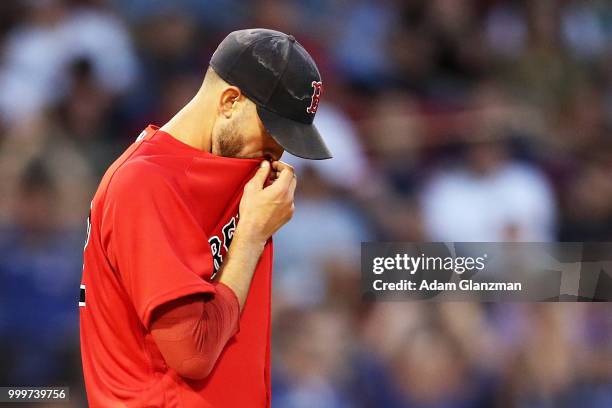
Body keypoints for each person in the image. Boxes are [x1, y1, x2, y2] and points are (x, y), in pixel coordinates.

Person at [79, 28, 332, 407]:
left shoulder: (233, 168)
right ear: (230, 100)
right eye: (272, 131)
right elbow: (192, 353)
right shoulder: (144, 183)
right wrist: (250, 237)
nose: (277, 152)